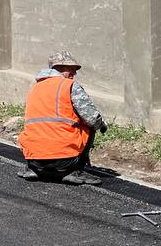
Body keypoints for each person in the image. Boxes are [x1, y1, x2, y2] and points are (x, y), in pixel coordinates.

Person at [16, 50, 108, 185]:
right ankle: (76, 170)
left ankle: (33, 169)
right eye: (72, 69)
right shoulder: (69, 85)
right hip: (65, 161)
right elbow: (92, 118)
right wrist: (102, 125)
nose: (74, 73)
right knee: (91, 124)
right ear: (60, 69)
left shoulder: (34, 87)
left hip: (34, 160)